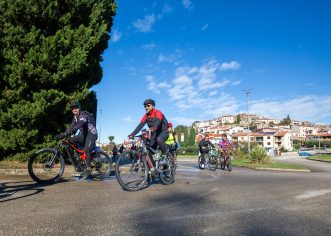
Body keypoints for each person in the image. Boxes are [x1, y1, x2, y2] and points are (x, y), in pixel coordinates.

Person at [55, 101, 98, 180]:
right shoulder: (74, 118)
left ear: (79, 108)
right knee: (70, 141)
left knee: (86, 150)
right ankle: (79, 159)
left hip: (92, 134)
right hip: (84, 135)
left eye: (76, 108)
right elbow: (71, 128)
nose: (74, 109)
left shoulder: (83, 116)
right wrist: (63, 134)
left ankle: (88, 169)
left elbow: (78, 126)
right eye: (72, 108)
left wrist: (65, 134)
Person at [129, 99, 169, 173]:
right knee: (148, 151)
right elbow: (140, 125)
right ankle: (153, 169)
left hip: (163, 132)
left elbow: (158, 121)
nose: (146, 107)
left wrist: (154, 127)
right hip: (155, 133)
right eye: (145, 106)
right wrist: (133, 134)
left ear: (153, 106)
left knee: (159, 139)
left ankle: (165, 156)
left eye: (148, 105)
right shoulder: (146, 116)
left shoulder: (158, 112)